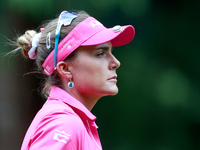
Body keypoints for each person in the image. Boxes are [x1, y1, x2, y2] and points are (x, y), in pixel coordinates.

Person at [16, 10, 135, 150]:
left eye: (111, 52)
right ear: (65, 69)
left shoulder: (74, 122)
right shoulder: (64, 124)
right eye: (100, 53)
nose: (116, 62)